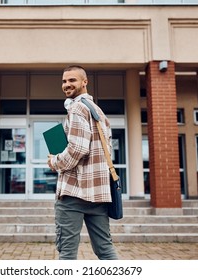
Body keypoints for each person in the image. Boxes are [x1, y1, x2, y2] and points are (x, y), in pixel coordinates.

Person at [47, 65, 118, 260]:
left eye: (72, 80)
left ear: (85, 82)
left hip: (73, 194)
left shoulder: (77, 108)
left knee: (67, 254)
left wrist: (54, 161)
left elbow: (78, 149)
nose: (67, 85)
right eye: (64, 81)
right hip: (98, 193)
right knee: (105, 250)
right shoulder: (98, 112)